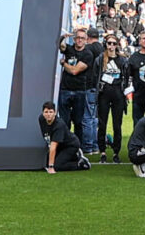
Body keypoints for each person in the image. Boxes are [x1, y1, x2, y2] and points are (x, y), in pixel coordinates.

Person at [59, 26, 103, 154]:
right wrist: (63, 37)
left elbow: (74, 71)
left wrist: (64, 64)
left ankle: (77, 147)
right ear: (74, 39)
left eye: (82, 38)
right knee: (65, 121)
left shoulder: (87, 54)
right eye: (77, 38)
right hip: (65, 89)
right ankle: (65, 146)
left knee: (79, 122)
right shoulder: (69, 49)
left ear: (86, 40)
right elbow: (61, 47)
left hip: (80, 90)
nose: (79, 40)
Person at [39, 99, 80, 173]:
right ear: (43, 113)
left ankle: (79, 163)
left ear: (55, 113)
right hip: (60, 146)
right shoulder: (41, 119)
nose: (48, 114)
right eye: (46, 112)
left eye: (51, 112)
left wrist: (51, 167)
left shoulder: (59, 125)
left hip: (70, 145)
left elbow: (53, 146)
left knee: (57, 166)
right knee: (45, 163)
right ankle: (73, 157)